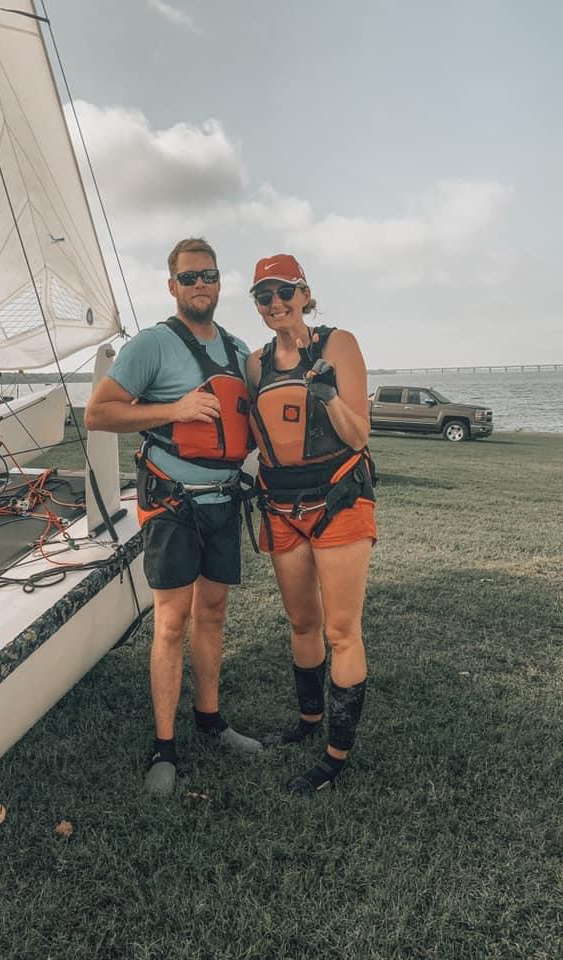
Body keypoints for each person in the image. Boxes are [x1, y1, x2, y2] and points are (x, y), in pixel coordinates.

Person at [84, 238, 262, 798]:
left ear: (219, 282)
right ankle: (165, 745)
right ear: (172, 286)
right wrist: (174, 409)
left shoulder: (237, 350)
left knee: (212, 614)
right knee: (170, 622)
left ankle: (210, 718)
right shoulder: (151, 345)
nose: (201, 285)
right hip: (171, 505)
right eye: (189, 277)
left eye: (209, 275)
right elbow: (99, 411)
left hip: (223, 503)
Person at [246, 254, 377, 794]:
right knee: (302, 623)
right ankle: (307, 722)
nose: (275, 302)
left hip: (338, 499)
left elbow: (359, 435)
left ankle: (335, 758)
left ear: (304, 292)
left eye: (284, 291)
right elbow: (257, 433)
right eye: (264, 295)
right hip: (281, 505)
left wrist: (324, 392)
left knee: (341, 630)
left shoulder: (336, 344)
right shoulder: (254, 364)